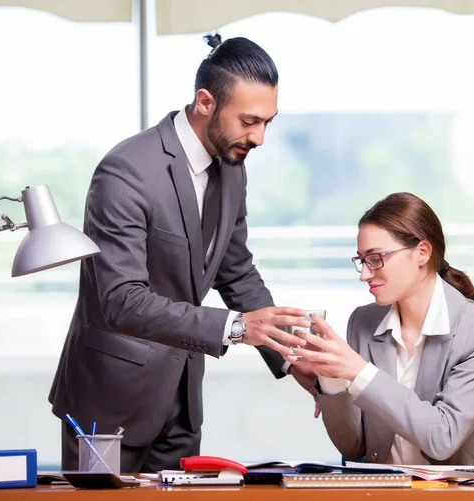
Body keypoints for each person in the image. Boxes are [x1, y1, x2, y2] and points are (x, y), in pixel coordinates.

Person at [48, 33, 314, 473]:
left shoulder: (232, 168)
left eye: (268, 122)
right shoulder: (126, 172)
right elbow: (122, 300)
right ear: (205, 102)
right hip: (108, 404)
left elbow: (236, 272)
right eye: (249, 121)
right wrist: (235, 327)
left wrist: (288, 358)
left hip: (181, 403)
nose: (260, 137)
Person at [287, 192, 474, 466]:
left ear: (422, 252)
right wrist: (331, 377)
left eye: (375, 258)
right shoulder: (362, 322)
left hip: (464, 490)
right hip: (388, 489)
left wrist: (359, 371)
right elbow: (353, 447)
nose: (364, 274)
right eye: (361, 260)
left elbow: (443, 438)